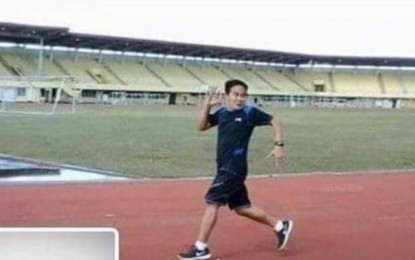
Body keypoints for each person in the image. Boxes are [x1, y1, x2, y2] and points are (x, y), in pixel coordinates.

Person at [178, 79, 293, 260]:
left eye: (243, 95)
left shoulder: (249, 113)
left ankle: (200, 247)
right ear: (227, 96)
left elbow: (275, 121)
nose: (240, 99)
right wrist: (207, 107)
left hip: (234, 168)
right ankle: (280, 226)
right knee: (242, 207)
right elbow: (201, 127)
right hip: (224, 167)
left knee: (212, 202)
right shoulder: (222, 112)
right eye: (236, 95)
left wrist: (278, 145)